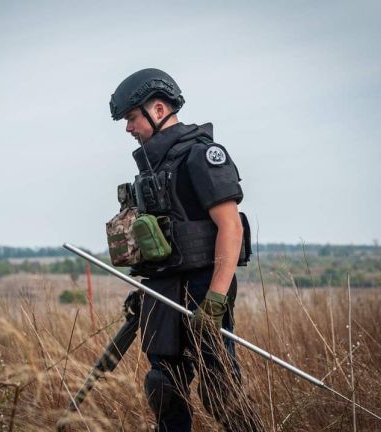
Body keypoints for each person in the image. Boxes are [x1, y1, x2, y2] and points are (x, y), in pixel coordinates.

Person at [108, 68, 264, 431]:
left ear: (158, 110)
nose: (128, 128)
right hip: (162, 289)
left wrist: (215, 299)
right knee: (163, 388)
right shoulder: (151, 168)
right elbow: (160, 240)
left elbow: (231, 226)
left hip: (204, 286)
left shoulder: (200, 155)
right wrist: (144, 291)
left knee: (220, 389)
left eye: (132, 117)